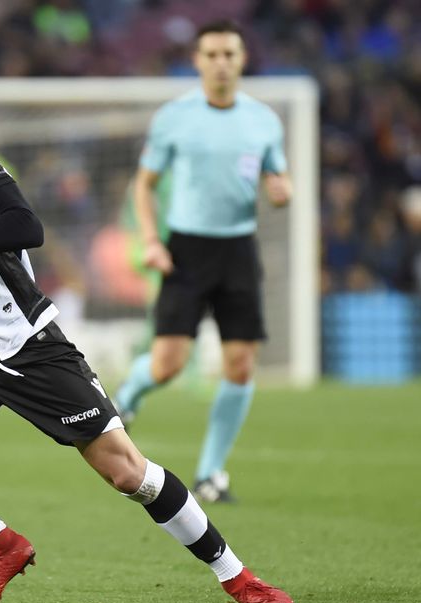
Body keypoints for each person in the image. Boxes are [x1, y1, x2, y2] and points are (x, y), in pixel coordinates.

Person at [0, 27, 294, 603]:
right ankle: (0, 546)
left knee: (128, 472)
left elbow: (26, 225)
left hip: (22, 339)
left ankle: (239, 579)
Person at [114, 20, 292, 503]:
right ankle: (126, 398)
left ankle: (211, 474)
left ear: (242, 59)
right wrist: (152, 239)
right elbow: (145, 185)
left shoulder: (263, 120)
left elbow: (279, 178)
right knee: (169, 364)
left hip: (238, 248)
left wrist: (282, 190)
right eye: (211, 54)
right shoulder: (176, 117)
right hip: (186, 249)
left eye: (229, 54)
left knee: (240, 364)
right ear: (197, 61)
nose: (220, 63)